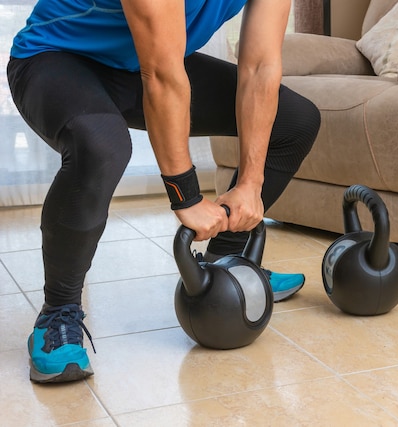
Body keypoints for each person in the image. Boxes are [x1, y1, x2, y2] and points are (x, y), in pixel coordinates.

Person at [7, 0, 320, 383]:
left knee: (296, 120)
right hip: (58, 56)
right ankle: (58, 314)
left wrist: (250, 185)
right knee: (102, 143)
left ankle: (226, 264)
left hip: (145, 61)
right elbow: (161, 73)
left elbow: (259, 68)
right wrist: (185, 196)